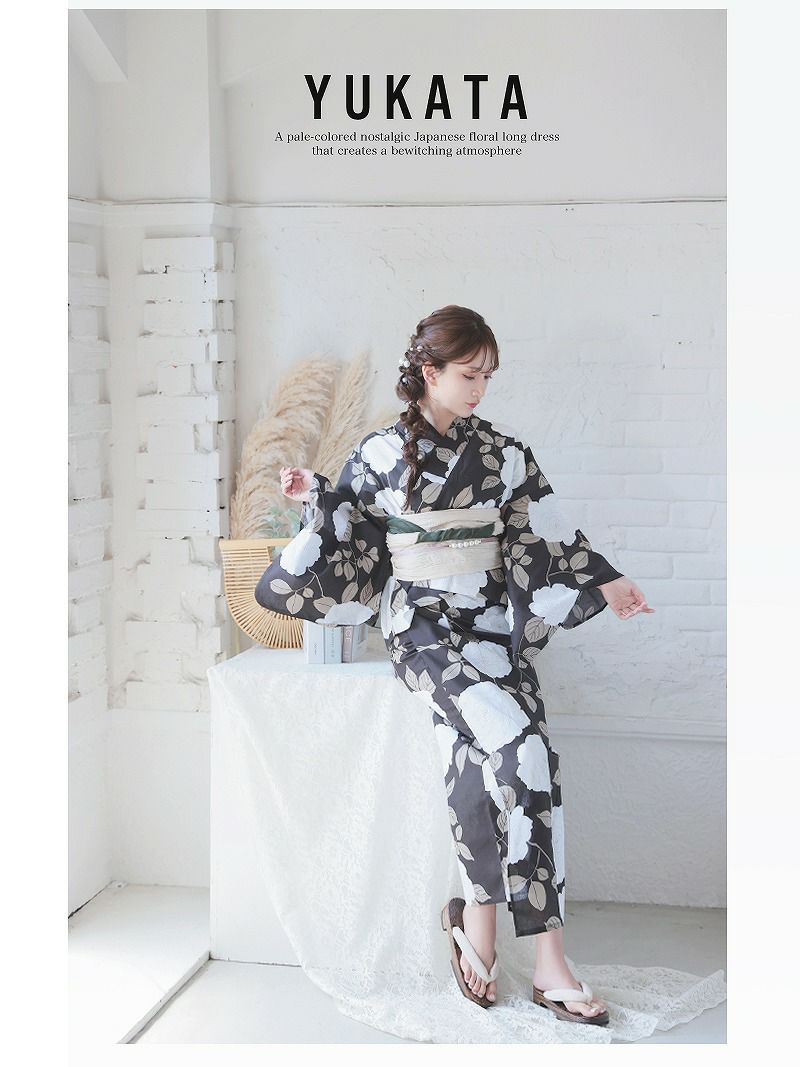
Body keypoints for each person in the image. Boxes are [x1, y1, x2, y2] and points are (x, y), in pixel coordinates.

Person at [254, 305, 653, 1022]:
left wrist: (604, 580)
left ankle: (491, 933)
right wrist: (314, 495)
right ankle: (541, 956)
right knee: (524, 752)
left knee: (478, 764)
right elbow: (351, 533)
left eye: (488, 376)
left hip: (495, 623)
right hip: (424, 629)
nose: (480, 390)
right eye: (469, 374)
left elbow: (532, 543)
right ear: (429, 371)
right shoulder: (379, 454)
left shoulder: (504, 453)